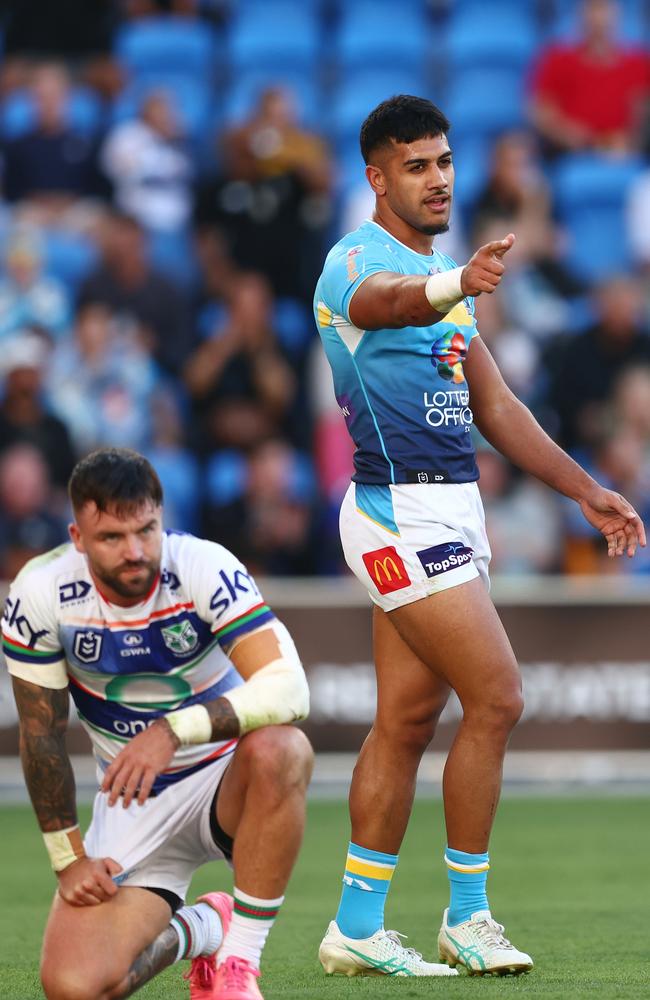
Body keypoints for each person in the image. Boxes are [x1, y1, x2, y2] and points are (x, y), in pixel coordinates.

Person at [313, 94, 646, 977]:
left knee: (406, 721)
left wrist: (588, 491)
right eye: (416, 165)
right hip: (397, 512)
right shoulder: (356, 263)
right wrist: (454, 284)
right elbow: (384, 305)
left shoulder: (451, 280)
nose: (438, 179)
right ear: (377, 176)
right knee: (498, 698)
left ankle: (355, 924)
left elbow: (494, 404)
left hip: (453, 510)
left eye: (445, 162)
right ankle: (467, 915)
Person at [4, 447, 313, 1000]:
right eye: (112, 538)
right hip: (132, 797)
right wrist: (68, 858)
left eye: (147, 530)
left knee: (282, 748)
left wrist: (173, 731)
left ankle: (239, 964)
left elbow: (290, 688)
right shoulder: (40, 592)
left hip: (227, 777)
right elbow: (40, 735)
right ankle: (204, 928)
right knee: (74, 989)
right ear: (77, 537)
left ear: (161, 518)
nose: (135, 551)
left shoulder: (203, 565)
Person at [529, 0, 650, 157]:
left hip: (625, 151)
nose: (599, 18)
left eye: (605, 9)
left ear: (618, 14)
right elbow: (540, 110)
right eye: (593, 9)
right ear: (580, 15)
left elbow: (643, 109)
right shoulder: (557, 59)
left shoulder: (639, 62)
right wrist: (567, 134)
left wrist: (629, 141)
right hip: (569, 151)